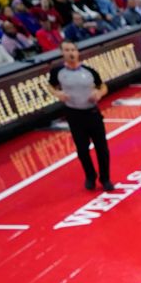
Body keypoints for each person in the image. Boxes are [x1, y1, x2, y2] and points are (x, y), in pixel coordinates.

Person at [48, 41, 112, 192]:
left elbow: (103, 86)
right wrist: (57, 94)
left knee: (102, 148)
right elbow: (50, 86)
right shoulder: (58, 72)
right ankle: (90, 176)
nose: (70, 53)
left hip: (92, 113)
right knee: (82, 150)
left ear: (77, 52)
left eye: (73, 50)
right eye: (67, 50)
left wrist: (99, 94)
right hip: (74, 115)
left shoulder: (89, 71)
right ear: (62, 53)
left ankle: (105, 178)